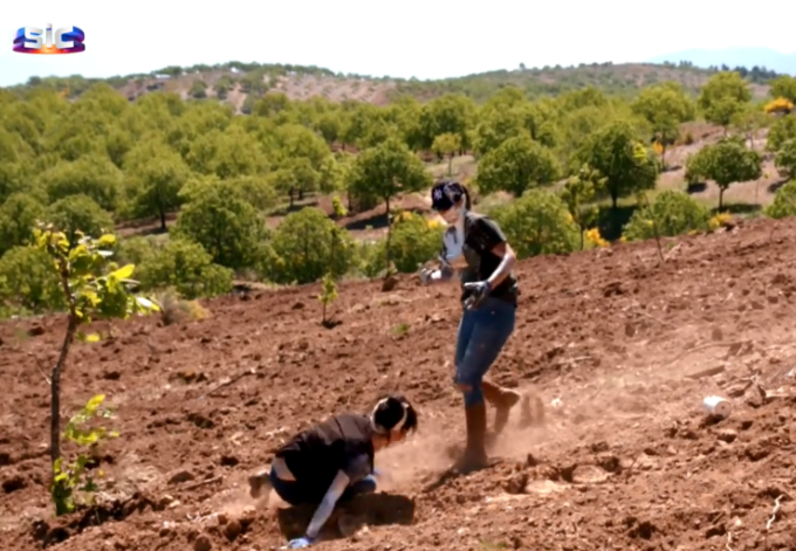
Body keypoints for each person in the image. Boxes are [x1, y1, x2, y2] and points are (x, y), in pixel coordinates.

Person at [419, 179, 525, 474]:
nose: (443, 212)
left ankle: (476, 452)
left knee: (467, 379)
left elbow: (509, 256)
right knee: (462, 373)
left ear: (460, 202)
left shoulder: (481, 225)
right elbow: (453, 273)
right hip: (473, 309)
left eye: (447, 206)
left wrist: (488, 284)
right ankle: (502, 398)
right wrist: (433, 277)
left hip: (497, 306)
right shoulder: (452, 236)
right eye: (439, 208)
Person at [247, 394, 418, 549]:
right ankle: (333, 520)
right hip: (289, 487)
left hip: (281, 464)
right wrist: (309, 536)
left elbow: (328, 452)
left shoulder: (353, 419)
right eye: (404, 432)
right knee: (366, 485)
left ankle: (268, 479)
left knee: (352, 474)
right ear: (396, 432)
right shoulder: (359, 457)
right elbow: (331, 497)